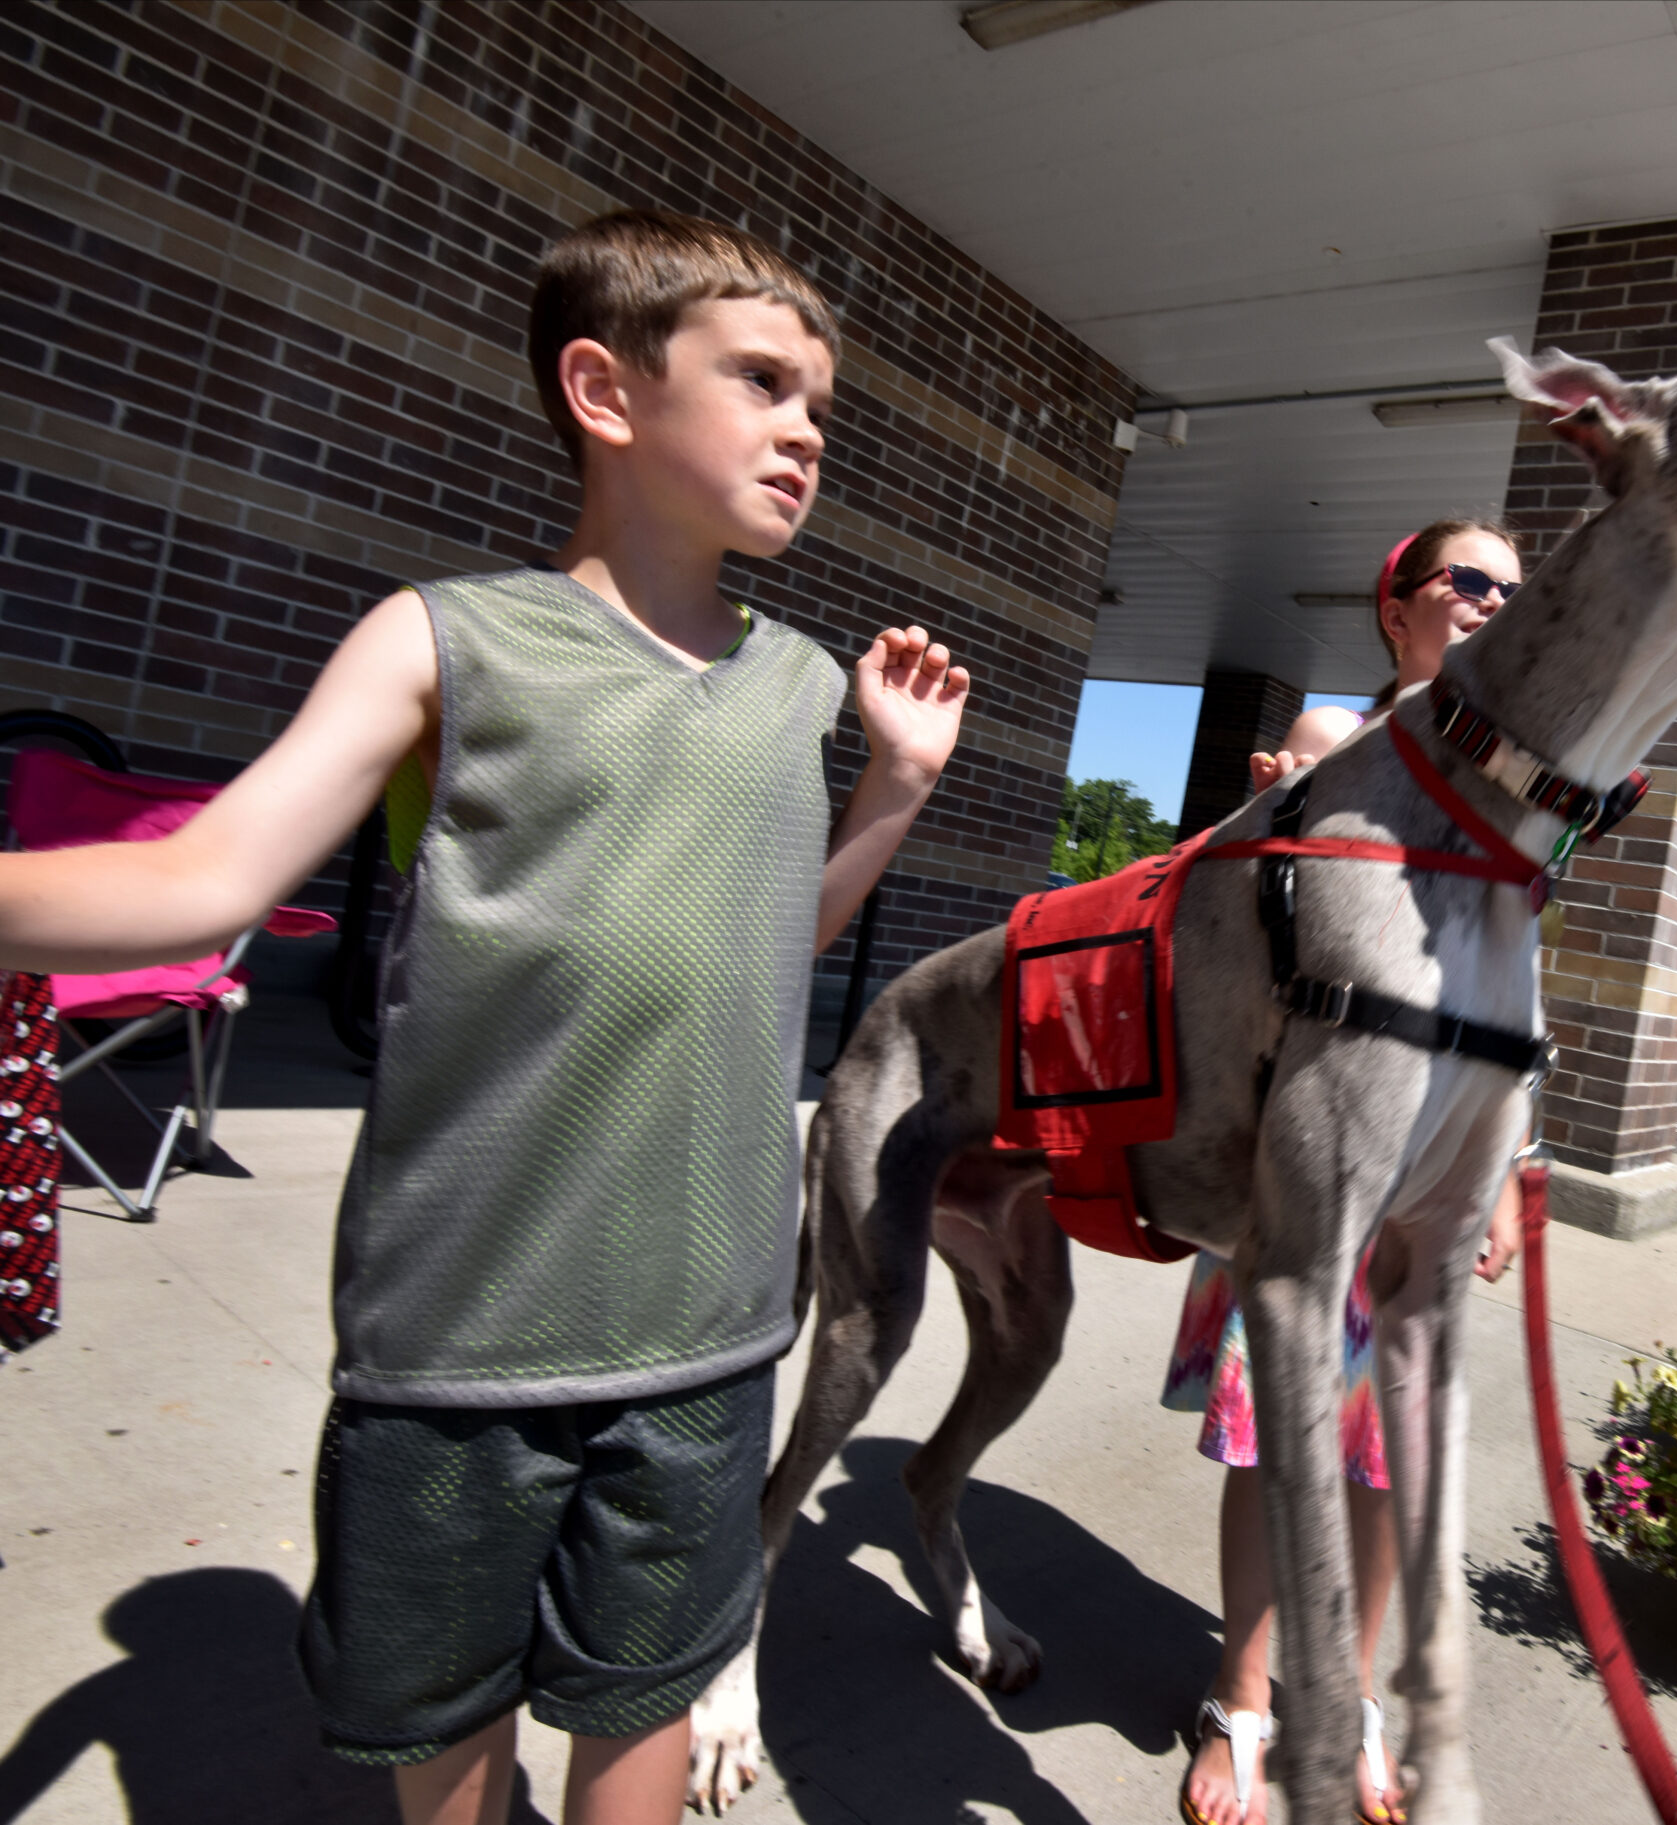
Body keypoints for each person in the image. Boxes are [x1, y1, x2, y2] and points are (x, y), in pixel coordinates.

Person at [0, 209, 971, 1825]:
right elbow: (209, 876)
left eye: (822, 404)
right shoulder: (448, 636)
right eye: (761, 381)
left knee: (640, 1708)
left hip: (714, 1336)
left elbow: (764, 949)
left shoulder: (803, 682)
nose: (807, 428)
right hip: (465, 1338)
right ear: (604, 390)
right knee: (443, 1737)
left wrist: (892, 786)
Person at [1168, 520, 1528, 1825]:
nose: (1493, 603)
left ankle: (1351, 1698)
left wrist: (1507, 1163)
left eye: (1510, 590)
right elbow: (1229, 928)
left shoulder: (1517, 788)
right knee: (1279, 1441)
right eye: (1467, 582)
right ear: (1399, 605)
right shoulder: (1338, 740)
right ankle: (1243, 1699)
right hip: (1303, 1155)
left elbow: (1508, 985)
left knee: (1384, 1458)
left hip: (1427, 1178)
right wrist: (1262, 808)